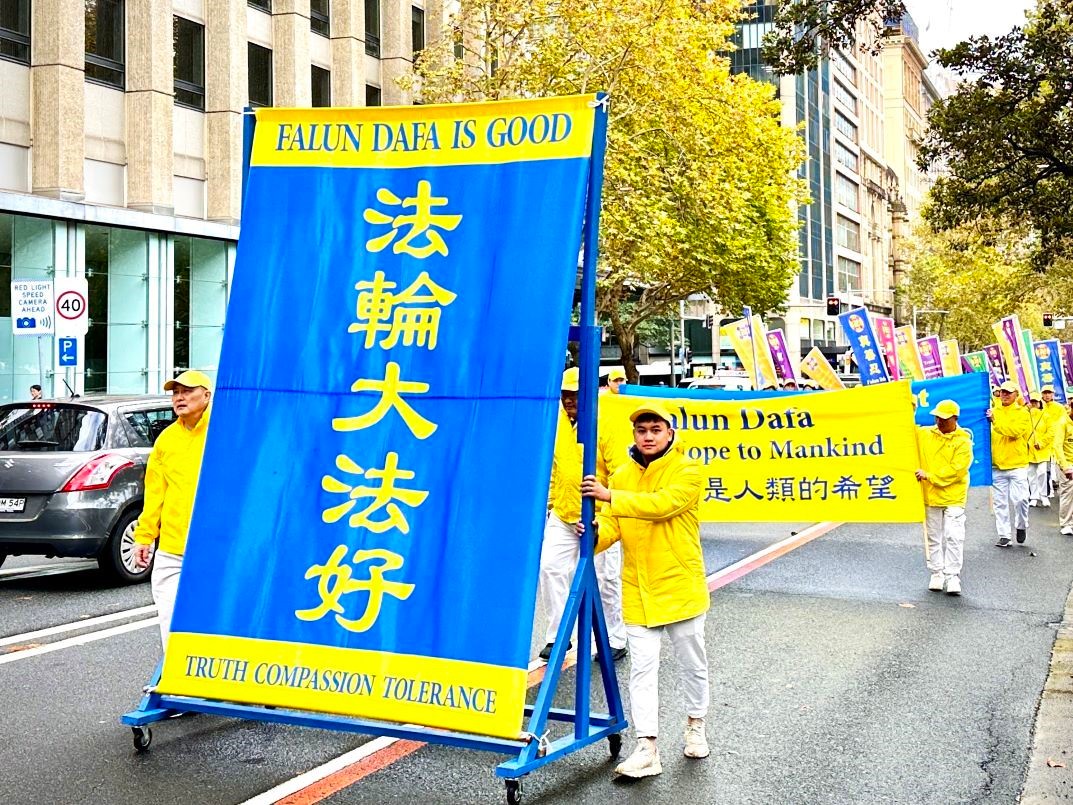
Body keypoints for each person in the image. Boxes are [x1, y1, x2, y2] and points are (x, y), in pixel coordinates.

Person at [579, 402, 709, 778]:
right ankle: (647, 746)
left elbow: (662, 506)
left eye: (655, 429)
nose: (648, 436)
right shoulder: (621, 475)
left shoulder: (688, 469)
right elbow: (614, 524)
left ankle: (696, 722)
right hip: (637, 588)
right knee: (642, 671)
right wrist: (596, 533)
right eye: (641, 430)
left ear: (670, 433)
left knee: (693, 665)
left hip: (679, 585)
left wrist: (609, 497)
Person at [537, 367, 627, 662]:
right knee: (550, 569)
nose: (569, 400)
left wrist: (607, 514)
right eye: (565, 394)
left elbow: (621, 474)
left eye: (575, 395)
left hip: (598, 517)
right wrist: (551, 504)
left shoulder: (607, 422)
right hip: (564, 513)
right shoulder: (558, 422)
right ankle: (559, 636)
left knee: (604, 579)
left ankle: (615, 638)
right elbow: (556, 467)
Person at [133, 370, 213, 650]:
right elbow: (155, 494)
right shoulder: (166, 439)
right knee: (170, 622)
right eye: (175, 392)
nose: (180, 397)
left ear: (207, 395)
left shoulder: (226, 432)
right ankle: (174, 669)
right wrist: (144, 537)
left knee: (210, 623)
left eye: (187, 391)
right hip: (172, 548)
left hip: (215, 547)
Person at [916, 400, 973, 595]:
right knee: (933, 536)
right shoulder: (925, 434)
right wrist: (909, 406)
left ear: (955, 419)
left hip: (953, 495)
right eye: (937, 417)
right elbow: (905, 431)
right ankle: (936, 573)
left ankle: (953, 576)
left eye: (944, 418)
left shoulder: (963, 441)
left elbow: (957, 470)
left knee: (954, 536)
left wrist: (930, 476)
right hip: (930, 495)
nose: (939, 421)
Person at [988, 380, 1031, 547]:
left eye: (1008, 392)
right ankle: (1004, 535)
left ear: (1016, 395)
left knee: (1021, 499)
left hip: (1017, 464)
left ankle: (1021, 525)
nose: (1004, 395)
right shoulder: (992, 411)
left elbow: (1015, 432)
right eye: (1002, 392)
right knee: (1000, 503)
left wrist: (995, 422)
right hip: (997, 465)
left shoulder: (1022, 413)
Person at [1027, 392, 1056, 507]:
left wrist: (1042, 443)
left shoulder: (1046, 416)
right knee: (1031, 474)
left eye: (1036, 402)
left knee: (1042, 473)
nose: (1034, 404)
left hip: (1042, 450)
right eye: (1032, 401)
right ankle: (1034, 496)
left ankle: (1044, 495)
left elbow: (1051, 432)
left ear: (1040, 403)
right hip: (1029, 450)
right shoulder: (1026, 415)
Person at [1054, 401, 1073, 536]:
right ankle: (1066, 524)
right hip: (1067, 462)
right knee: (1068, 492)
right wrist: (1065, 467)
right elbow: (1057, 446)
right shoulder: (1063, 422)